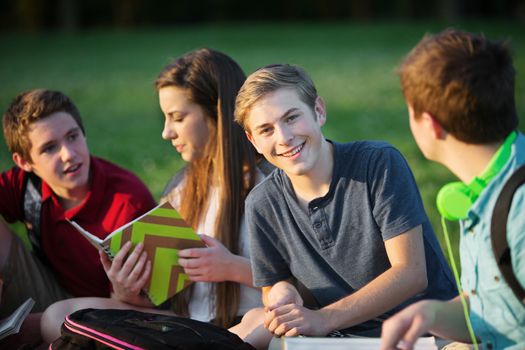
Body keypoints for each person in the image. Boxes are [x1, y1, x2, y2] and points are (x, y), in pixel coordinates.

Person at [41, 49, 270, 348]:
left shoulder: (269, 183)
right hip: (181, 326)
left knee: (267, 321)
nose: (166, 132)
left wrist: (231, 267)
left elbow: (304, 289)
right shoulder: (181, 187)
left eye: (177, 117)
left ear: (217, 111)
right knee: (57, 315)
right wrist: (127, 290)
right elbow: (163, 302)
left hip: (241, 327)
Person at [233, 63, 457, 338]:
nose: (284, 137)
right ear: (252, 140)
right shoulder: (262, 203)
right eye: (266, 130)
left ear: (319, 110)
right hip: (338, 338)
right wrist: (283, 295)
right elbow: (273, 283)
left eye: (291, 118)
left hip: (424, 333)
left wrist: (324, 319)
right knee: (252, 329)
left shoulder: (377, 164)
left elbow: (411, 273)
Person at [380, 29, 525, 350]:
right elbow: (504, 312)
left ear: (429, 124)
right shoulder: (486, 187)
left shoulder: (520, 211)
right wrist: (432, 314)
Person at [0, 89, 156, 343]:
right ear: (25, 162)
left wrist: (126, 294)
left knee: (53, 323)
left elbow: (152, 311)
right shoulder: (26, 185)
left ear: (83, 133)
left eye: (72, 137)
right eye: (49, 148)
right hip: (51, 290)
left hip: (107, 312)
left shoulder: (129, 201)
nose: (68, 154)